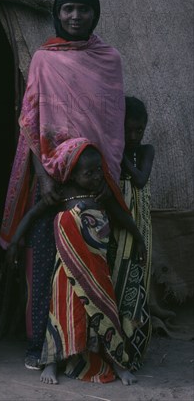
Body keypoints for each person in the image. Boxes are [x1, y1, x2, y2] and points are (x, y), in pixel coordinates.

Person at [0, 0, 130, 370]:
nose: (75, 16)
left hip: (93, 179)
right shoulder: (44, 58)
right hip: (54, 180)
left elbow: (113, 125)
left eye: (83, 9)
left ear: (95, 13)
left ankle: (90, 347)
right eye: (68, 9)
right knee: (43, 265)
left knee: (93, 264)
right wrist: (43, 177)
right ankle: (39, 344)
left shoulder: (110, 59)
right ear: (57, 13)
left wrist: (106, 175)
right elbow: (32, 121)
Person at [7, 139, 145, 385]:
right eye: (88, 173)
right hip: (66, 273)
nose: (95, 177)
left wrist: (139, 239)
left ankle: (117, 363)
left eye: (98, 171)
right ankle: (51, 363)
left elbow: (122, 217)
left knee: (104, 312)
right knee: (61, 314)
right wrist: (15, 240)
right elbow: (32, 215)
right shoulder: (61, 195)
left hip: (97, 270)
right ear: (71, 174)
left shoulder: (102, 195)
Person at [108, 96, 155, 369]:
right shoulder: (112, 158)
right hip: (119, 227)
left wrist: (119, 150)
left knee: (138, 284)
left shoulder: (145, 151)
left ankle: (133, 352)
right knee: (117, 279)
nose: (134, 135)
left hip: (141, 229)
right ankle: (115, 349)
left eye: (139, 130)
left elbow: (139, 179)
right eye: (128, 130)